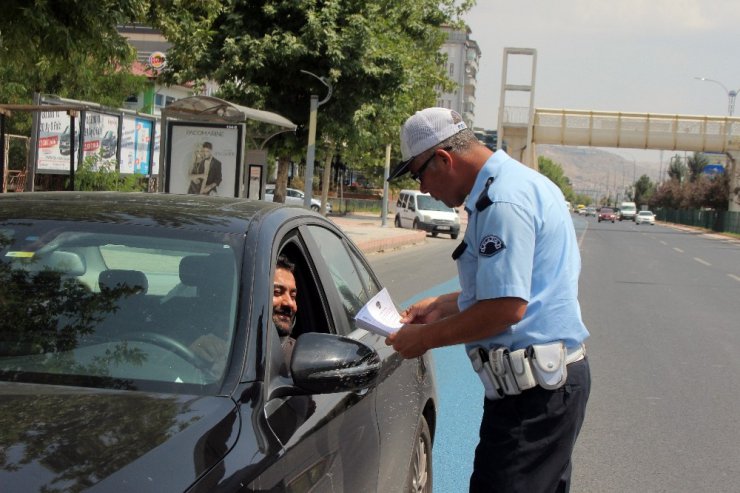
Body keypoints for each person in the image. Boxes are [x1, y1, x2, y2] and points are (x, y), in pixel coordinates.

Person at [385, 107, 590, 492]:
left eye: (418, 174)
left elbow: (506, 308)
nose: (424, 189)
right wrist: (442, 305)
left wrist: (423, 339)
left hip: (534, 396)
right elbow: (507, 289)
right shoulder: (515, 185)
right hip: (537, 391)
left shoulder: (502, 201)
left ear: (443, 159)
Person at [190, 254, 298, 368]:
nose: (290, 303)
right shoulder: (205, 344)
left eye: (293, 296)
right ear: (247, 295)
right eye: (277, 292)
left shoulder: (296, 359)